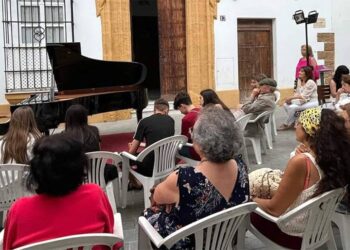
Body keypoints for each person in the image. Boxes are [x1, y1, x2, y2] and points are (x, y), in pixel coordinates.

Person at [144, 106, 249, 249]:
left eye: (193, 132)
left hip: (190, 243)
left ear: (200, 142)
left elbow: (157, 197)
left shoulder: (184, 178)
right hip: (225, 236)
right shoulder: (241, 166)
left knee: (150, 212)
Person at [251, 107, 350, 249]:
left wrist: (250, 200)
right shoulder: (333, 157)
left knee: (240, 209)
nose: (296, 125)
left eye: (299, 123)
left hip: (292, 233)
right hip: (316, 228)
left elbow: (274, 209)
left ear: (310, 130)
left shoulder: (302, 162)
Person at [3, 133, 120, 250]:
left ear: (36, 171)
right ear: (79, 167)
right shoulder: (95, 195)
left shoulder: (19, 210)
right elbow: (110, 238)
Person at [64, 104, 118, 183]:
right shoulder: (94, 130)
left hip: (76, 177)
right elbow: (99, 150)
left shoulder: (64, 135)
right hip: (98, 173)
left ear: (68, 119)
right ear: (85, 117)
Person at [128, 98, 175, 178]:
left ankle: (136, 183)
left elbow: (132, 151)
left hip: (149, 168)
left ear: (154, 109)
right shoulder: (171, 120)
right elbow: (161, 140)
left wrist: (130, 148)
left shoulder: (144, 122)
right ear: (167, 110)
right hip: (167, 164)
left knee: (123, 158)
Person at [279, 66, 318, 130]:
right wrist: (290, 100)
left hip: (312, 102)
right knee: (285, 105)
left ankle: (286, 124)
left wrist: (291, 99)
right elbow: (297, 93)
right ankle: (293, 122)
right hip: (303, 101)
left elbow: (304, 97)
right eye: (300, 71)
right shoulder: (299, 81)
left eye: (302, 71)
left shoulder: (310, 82)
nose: (299, 72)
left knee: (292, 107)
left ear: (307, 74)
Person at [173, 91, 201, 160]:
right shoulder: (202, 111)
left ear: (182, 106)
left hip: (197, 152)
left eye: (180, 110)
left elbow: (184, 140)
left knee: (174, 149)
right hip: (209, 150)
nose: (181, 112)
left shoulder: (186, 119)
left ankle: (172, 168)